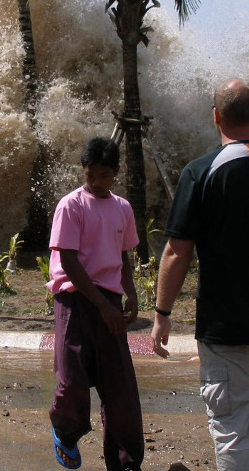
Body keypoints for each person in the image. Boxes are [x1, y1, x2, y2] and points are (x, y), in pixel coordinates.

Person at [151, 78, 249, 471]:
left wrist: (162, 313)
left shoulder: (201, 172)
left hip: (225, 323)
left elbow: (176, 252)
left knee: (230, 421)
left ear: (215, 117)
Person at [46, 137, 144, 471]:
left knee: (120, 390)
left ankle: (126, 462)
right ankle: (66, 432)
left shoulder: (122, 208)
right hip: (75, 300)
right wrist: (103, 306)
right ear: (84, 172)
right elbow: (70, 262)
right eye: (90, 175)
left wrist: (129, 294)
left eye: (103, 176)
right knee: (72, 381)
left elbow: (123, 256)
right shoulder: (70, 206)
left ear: (115, 173)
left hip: (110, 301)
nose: (96, 182)